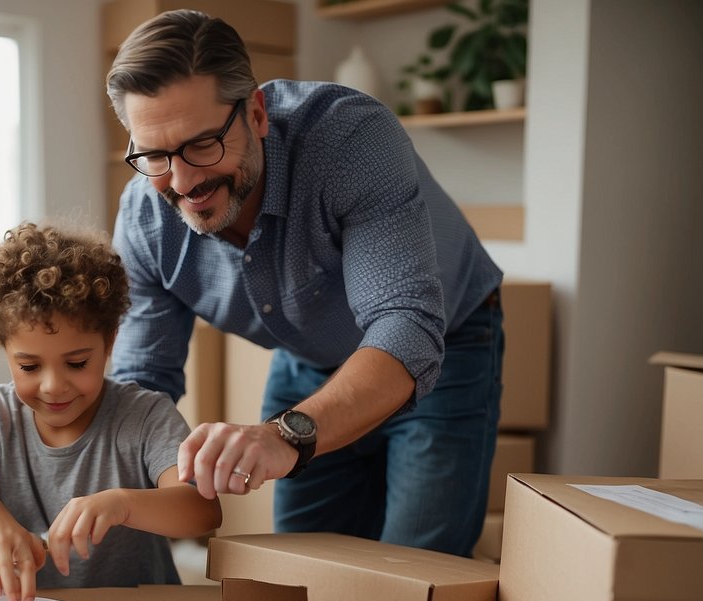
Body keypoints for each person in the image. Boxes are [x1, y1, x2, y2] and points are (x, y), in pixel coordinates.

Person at [105, 10, 505, 558]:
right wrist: (111, 497)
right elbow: (142, 381)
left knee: (415, 577)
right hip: (308, 357)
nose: (181, 181)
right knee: (302, 575)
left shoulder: (349, 139)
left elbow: (404, 327)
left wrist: (282, 435)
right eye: (153, 155)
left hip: (445, 342)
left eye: (202, 145)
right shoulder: (145, 219)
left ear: (256, 112)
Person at [0, 222, 221, 601]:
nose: (53, 386)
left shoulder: (146, 414)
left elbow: (202, 512)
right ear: (5, 350)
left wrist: (122, 504)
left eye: (76, 363)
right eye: (28, 367)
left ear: (109, 344)